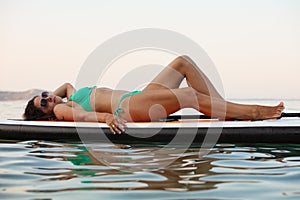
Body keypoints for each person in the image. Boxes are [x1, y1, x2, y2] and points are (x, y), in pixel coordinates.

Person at [23, 56, 284, 134]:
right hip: (129, 108)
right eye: (44, 103)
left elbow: (64, 86)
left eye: (45, 95)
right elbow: (80, 116)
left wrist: (42, 99)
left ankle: (223, 110)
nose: (50, 99)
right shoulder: (61, 110)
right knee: (189, 96)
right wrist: (105, 118)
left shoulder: (69, 94)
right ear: (47, 114)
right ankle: (252, 112)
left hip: (139, 96)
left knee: (183, 63)